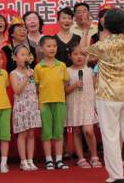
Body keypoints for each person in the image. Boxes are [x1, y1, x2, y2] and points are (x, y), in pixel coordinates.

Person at [81, 8, 124, 183]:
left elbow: (83, 51)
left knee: (110, 135)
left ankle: (116, 175)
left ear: (106, 26)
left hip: (108, 95)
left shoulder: (102, 45)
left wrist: (85, 30)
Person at [34, 36, 70, 170]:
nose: (52, 48)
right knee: (46, 132)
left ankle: (59, 159)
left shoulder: (61, 65)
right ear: (42, 48)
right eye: (48, 46)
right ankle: (49, 159)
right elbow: (36, 87)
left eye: (54, 46)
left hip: (59, 101)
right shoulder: (38, 67)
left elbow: (65, 82)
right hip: (44, 103)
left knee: (59, 131)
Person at [65, 42, 101, 169]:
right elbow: (65, 90)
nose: (79, 57)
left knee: (88, 131)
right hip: (74, 104)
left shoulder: (90, 71)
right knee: (76, 131)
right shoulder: (67, 71)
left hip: (88, 103)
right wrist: (74, 86)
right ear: (70, 56)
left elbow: (96, 87)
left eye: (82, 54)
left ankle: (94, 156)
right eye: (75, 54)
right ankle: (81, 158)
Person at [10, 45, 42, 171]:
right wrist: (26, 77)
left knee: (31, 134)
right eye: (22, 55)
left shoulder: (32, 71)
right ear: (14, 58)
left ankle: (30, 160)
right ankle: (23, 161)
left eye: (27, 55)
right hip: (21, 107)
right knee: (22, 133)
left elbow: (36, 89)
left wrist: (38, 103)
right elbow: (17, 90)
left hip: (32, 106)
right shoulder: (14, 73)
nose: (25, 57)